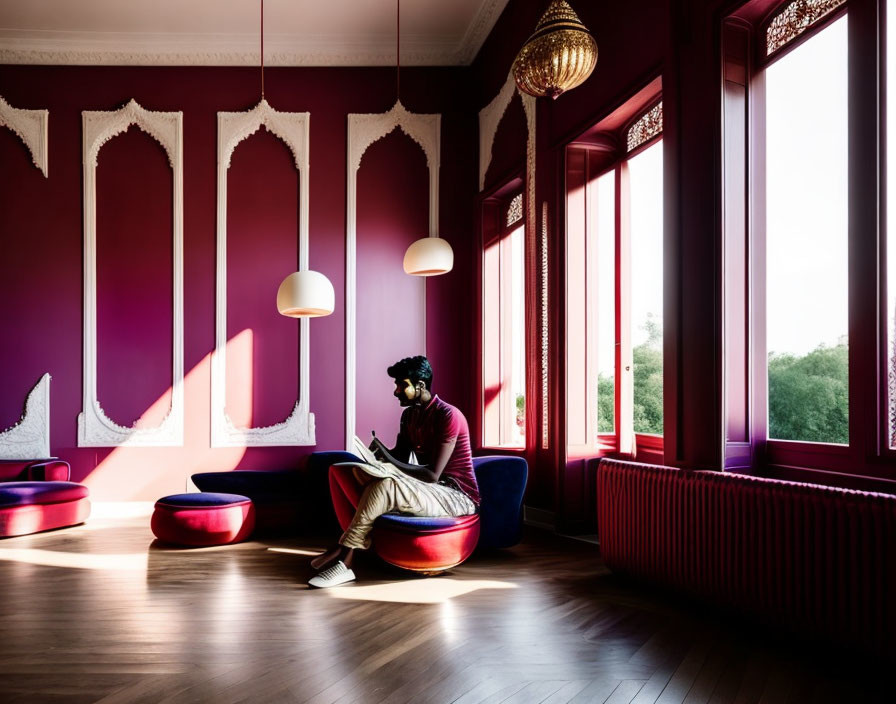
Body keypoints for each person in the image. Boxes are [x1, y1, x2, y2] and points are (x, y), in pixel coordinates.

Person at [308, 355, 480, 588]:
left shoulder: (448, 415)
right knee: (347, 471)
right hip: (428, 490)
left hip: (455, 495)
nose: (396, 391)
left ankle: (345, 559)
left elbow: (432, 475)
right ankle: (345, 548)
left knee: (385, 485)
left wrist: (388, 462)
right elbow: (399, 457)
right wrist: (378, 455)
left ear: (420, 386)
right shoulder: (409, 416)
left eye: (402, 385)